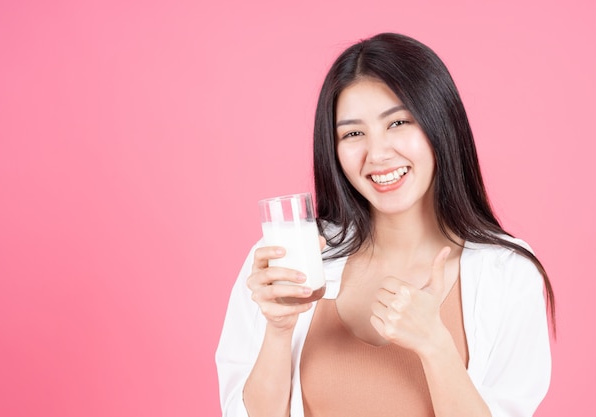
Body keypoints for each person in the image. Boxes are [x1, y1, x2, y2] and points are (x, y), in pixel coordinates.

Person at [215, 32, 554, 417]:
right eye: (354, 133)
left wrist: (434, 345)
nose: (377, 154)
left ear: (440, 123)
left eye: (398, 123)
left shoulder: (508, 273)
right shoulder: (290, 261)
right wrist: (277, 330)